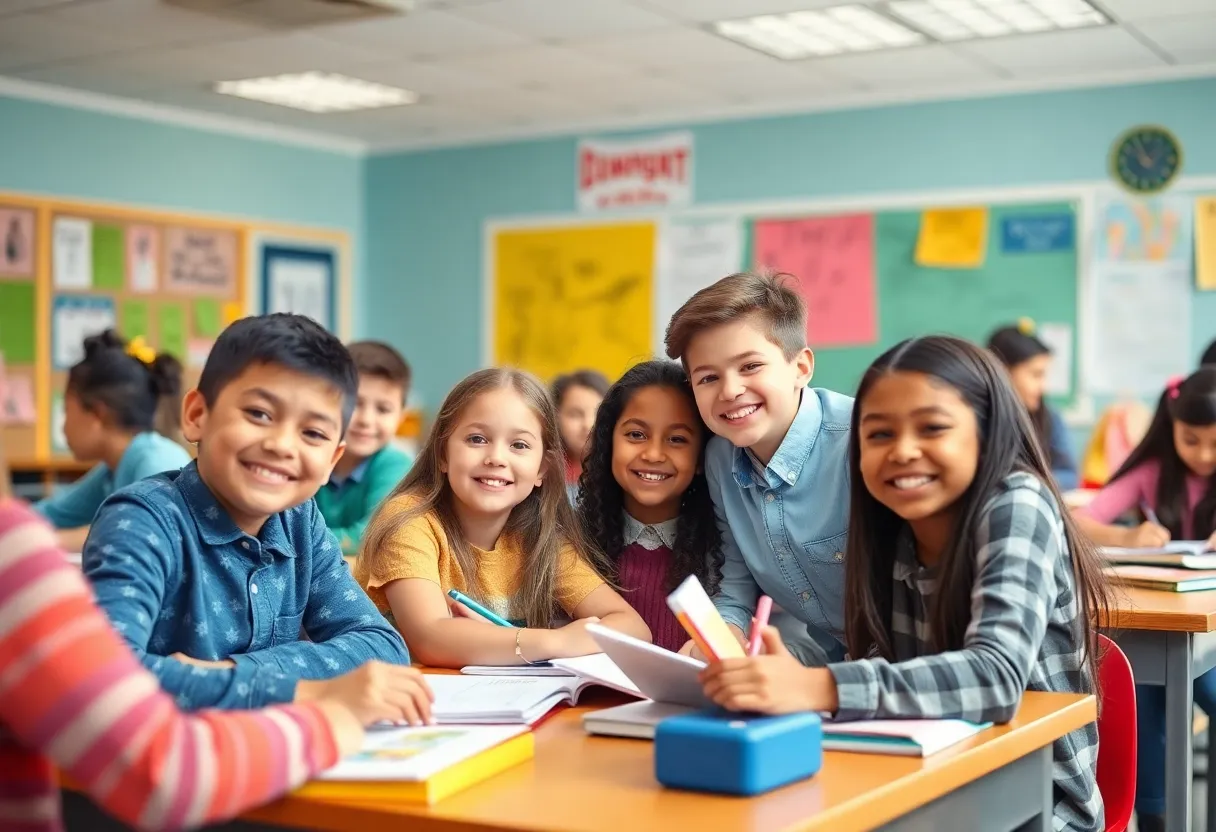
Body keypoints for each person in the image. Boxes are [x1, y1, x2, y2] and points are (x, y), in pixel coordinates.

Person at [700, 335, 1109, 831]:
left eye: (932, 428)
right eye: (878, 435)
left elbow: (995, 678)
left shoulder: (1016, 504)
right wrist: (783, 678)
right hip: (920, 778)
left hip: (1036, 801)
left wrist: (817, 686)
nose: (904, 451)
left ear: (987, 429)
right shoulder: (888, 521)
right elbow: (882, 657)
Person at [84, 314, 411, 710]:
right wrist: (301, 688)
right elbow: (105, 677)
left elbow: (381, 646)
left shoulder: (300, 521)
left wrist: (230, 673)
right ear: (196, 415)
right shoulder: (142, 521)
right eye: (259, 414)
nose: (281, 445)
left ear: (331, 460)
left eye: (313, 433)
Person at [356, 367, 651, 668]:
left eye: (519, 445)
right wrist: (554, 641)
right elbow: (431, 639)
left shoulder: (541, 538)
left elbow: (634, 629)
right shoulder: (410, 520)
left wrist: (513, 642)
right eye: (476, 439)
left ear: (541, 469)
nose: (496, 457)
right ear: (443, 454)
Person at [664, 271, 851, 665]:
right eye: (708, 377)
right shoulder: (720, 459)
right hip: (835, 661)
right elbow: (736, 585)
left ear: (801, 367)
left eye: (749, 367)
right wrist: (714, 646)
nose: (729, 390)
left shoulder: (861, 442)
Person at [1073, 368, 1216, 832]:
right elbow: (1078, 519)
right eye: (1191, 440)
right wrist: (1128, 534)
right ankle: (1157, 816)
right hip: (1165, 619)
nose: (1204, 455)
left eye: (1215, 442)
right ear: (1171, 424)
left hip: (1211, 635)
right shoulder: (1154, 473)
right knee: (1145, 695)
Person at [575, 360, 723, 652]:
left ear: (701, 458)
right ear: (609, 443)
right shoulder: (572, 541)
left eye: (677, 439)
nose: (654, 454)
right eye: (636, 435)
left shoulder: (726, 553)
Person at [35, 330, 190, 550]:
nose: (63, 426)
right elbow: (53, 514)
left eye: (67, 411)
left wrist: (28, 540)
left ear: (97, 414)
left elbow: (135, 529)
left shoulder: (157, 461)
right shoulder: (114, 467)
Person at [317, 340, 413, 555]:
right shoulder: (314, 452)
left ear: (401, 417)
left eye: (383, 409)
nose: (366, 420)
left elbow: (372, 536)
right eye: (355, 404)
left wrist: (301, 541)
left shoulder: (397, 466)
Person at [987, 320, 1078, 489]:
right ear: (1003, 371)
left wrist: (1029, 482)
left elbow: (1069, 475)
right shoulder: (979, 418)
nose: (1044, 386)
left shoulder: (1050, 418)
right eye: (1036, 375)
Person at [552, 369, 609, 502]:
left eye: (598, 414)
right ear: (555, 417)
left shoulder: (620, 471)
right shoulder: (543, 471)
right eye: (575, 414)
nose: (588, 424)